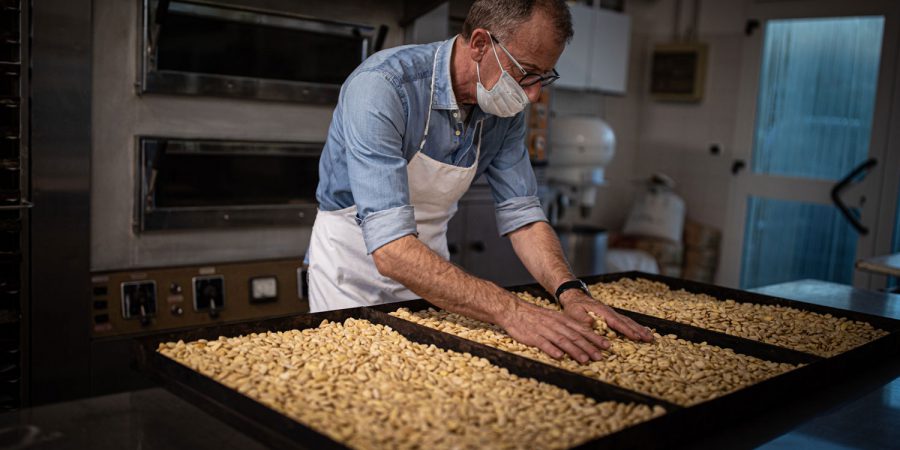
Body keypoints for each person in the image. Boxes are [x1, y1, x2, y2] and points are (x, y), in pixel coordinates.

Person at [308, 0, 653, 364]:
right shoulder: (383, 87)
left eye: (544, 77)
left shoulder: (505, 108)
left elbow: (523, 215)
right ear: (479, 44)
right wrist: (510, 309)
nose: (533, 95)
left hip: (433, 274)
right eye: (526, 72)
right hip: (352, 271)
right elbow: (391, 250)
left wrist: (569, 290)